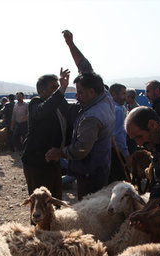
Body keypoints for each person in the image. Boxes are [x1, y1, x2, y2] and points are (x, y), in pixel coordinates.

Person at [45, 30, 115, 200]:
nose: (76, 95)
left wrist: (60, 153)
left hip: (91, 172)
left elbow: (81, 149)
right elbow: (84, 66)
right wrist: (70, 44)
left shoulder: (91, 118)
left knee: (88, 210)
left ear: (91, 91)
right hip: (102, 165)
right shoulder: (103, 95)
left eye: (80, 92)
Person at [22, 70, 71, 198]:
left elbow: (72, 117)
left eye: (58, 86)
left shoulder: (61, 104)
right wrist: (61, 90)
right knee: (40, 203)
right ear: (41, 91)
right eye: (53, 87)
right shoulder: (35, 103)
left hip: (54, 160)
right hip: (37, 162)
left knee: (55, 200)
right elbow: (43, 111)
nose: (57, 90)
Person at [108, 83, 131, 183]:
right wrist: (126, 155)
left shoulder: (107, 108)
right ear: (114, 94)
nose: (125, 97)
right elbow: (118, 136)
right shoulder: (118, 110)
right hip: (115, 153)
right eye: (123, 94)